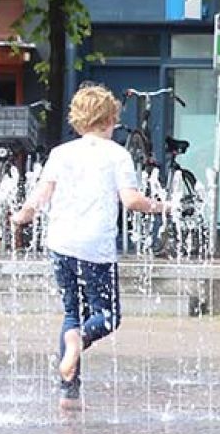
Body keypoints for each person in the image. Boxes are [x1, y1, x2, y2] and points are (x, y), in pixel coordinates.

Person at [11, 83, 170, 410]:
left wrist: (24, 214)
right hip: (95, 246)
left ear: (78, 120)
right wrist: (165, 207)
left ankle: (68, 392)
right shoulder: (117, 154)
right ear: (111, 118)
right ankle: (79, 342)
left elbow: (41, 193)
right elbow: (132, 200)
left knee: (72, 313)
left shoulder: (61, 153)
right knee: (107, 316)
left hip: (60, 243)